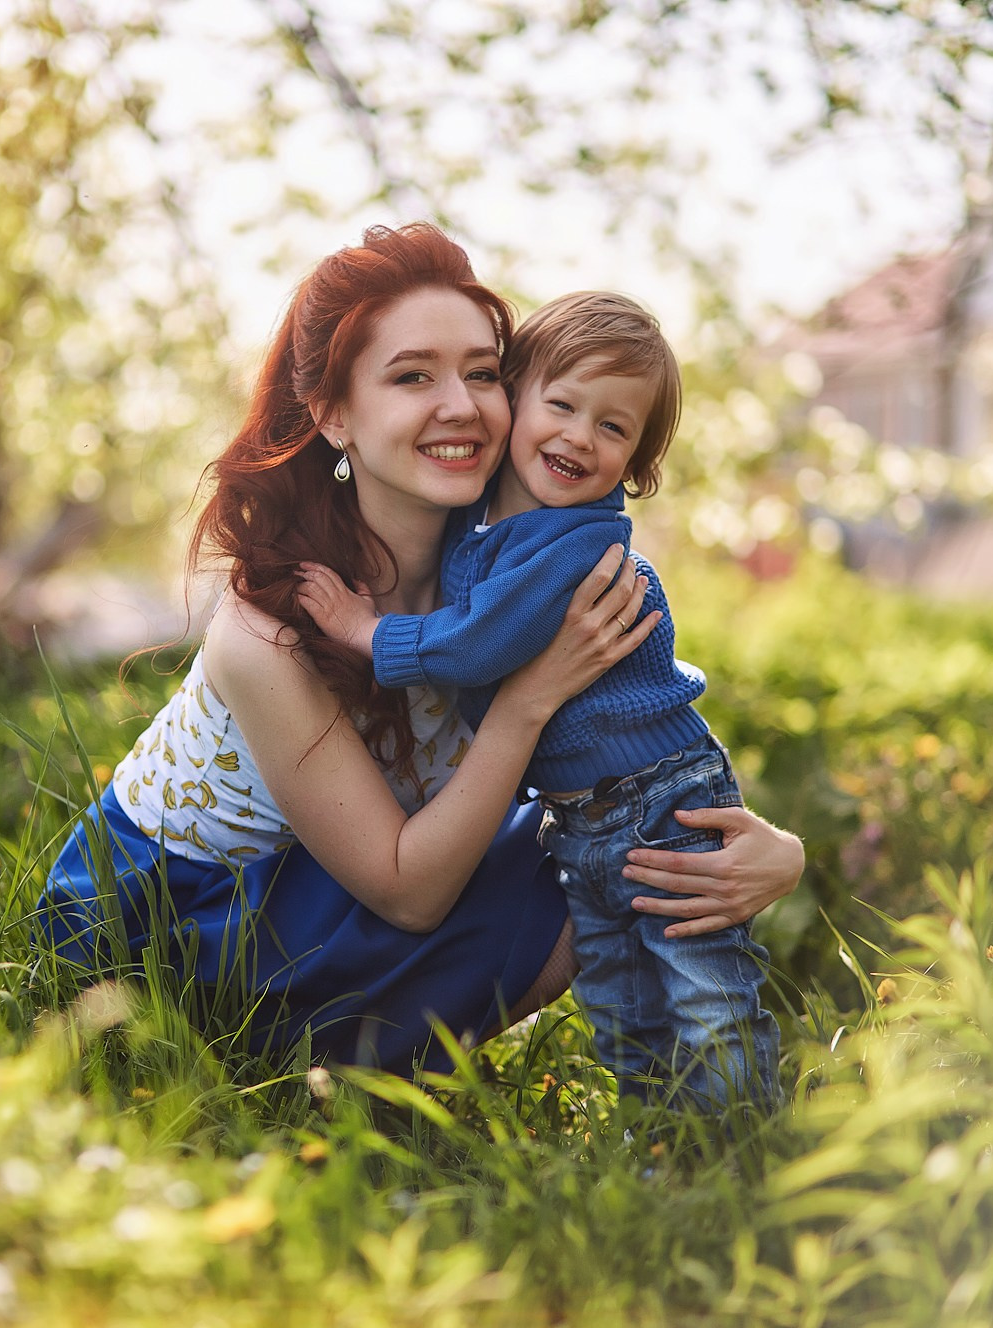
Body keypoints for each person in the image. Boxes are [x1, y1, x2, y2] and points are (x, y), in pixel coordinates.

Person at [38, 224, 804, 1075]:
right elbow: (408, 891)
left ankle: (670, 1101)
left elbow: (632, 738)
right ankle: (314, 1071)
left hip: (331, 892)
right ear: (334, 415)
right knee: (560, 868)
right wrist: (526, 701)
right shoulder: (270, 627)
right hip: (168, 927)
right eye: (412, 376)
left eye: (483, 373)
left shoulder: (508, 576)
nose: (461, 405)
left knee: (598, 849)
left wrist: (768, 849)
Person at [296, 291, 778, 1105]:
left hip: (661, 800)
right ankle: (658, 1137)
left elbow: (475, 641)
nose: (579, 436)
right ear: (515, 399)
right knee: (620, 997)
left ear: (637, 465)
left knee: (703, 985)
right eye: (561, 404)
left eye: (614, 428)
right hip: (582, 815)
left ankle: (741, 1139)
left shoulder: (577, 546)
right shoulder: (487, 523)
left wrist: (362, 632)